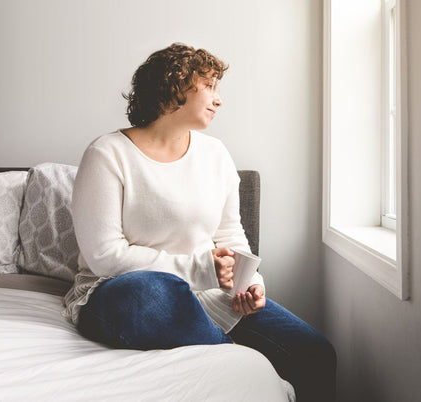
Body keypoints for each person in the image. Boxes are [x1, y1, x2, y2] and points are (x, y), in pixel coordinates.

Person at [62, 42, 336, 401]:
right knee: (153, 292)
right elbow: (104, 255)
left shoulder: (216, 155)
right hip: (120, 291)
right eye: (208, 86)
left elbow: (230, 234)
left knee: (315, 354)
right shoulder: (108, 154)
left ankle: (220, 344)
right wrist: (201, 270)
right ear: (173, 87)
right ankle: (239, 363)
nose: (218, 99)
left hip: (207, 294)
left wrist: (248, 283)